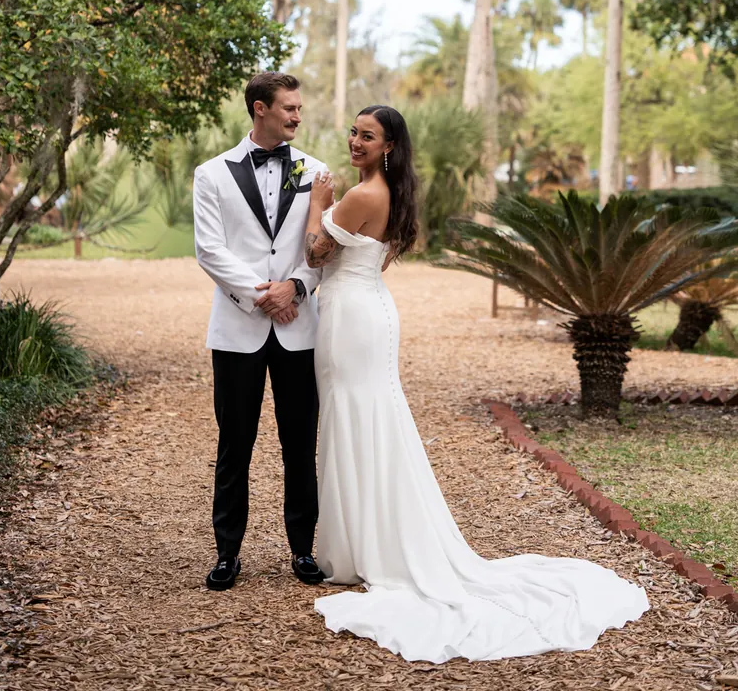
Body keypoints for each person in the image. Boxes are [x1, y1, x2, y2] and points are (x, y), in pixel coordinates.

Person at [304, 104, 650, 663]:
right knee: (369, 416)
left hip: (350, 317)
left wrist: (318, 207)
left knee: (353, 415)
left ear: (389, 145)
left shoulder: (360, 196)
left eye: (367, 136)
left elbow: (315, 254)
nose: (355, 141)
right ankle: (362, 539)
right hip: (369, 309)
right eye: (354, 132)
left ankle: (355, 549)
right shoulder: (390, 194)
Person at [193, 72, 331, 591]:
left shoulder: (316, 173)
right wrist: (261, 295)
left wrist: (293, 288)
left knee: (301, 443)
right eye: (289, 108)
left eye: (299, 108)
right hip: (237, 329)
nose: (297, 116)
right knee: (235, 443)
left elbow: (322, 247)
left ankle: (303, 550)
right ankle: (227, 553)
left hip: (299, 329)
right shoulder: (211, 174)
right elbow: (210, 250)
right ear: (259, 109)